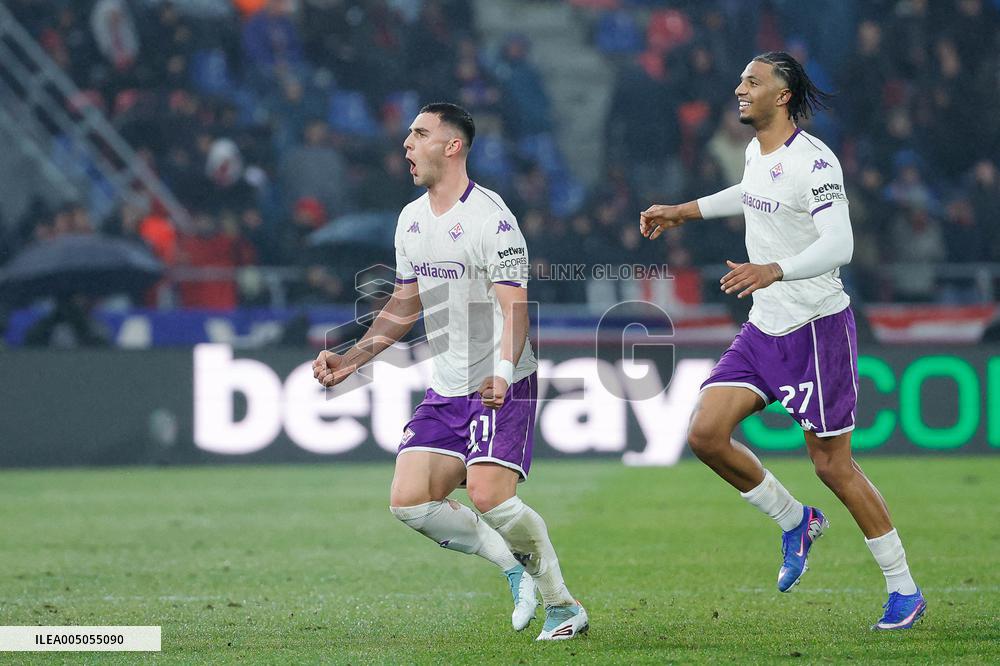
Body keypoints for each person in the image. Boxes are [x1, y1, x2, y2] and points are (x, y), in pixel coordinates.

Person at [640, 52, 925, 631]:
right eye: (741, 78)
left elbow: (839, 244)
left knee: (833, 465)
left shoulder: (816, 164)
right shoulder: (756, 151)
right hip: (764, 327)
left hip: (816, 329)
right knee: (705, 433)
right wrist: (682, 212)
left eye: (752, 81)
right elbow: (749, 194)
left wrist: (775, 268)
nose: (738, 88)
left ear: (783, 94)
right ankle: (796, 521)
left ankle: (905, 590)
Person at [313, 103, 588, 640]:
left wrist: (505, 373)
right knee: (409, 501)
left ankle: (562, 606)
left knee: (488, 496)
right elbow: (404, 306)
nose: (407, 144)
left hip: (499, 382)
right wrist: (349, 360)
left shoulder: (493, 220)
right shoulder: (411, 219)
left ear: (452, 145)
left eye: (419, 134)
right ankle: (514, 570)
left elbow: (516, 311)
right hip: (447, 385)